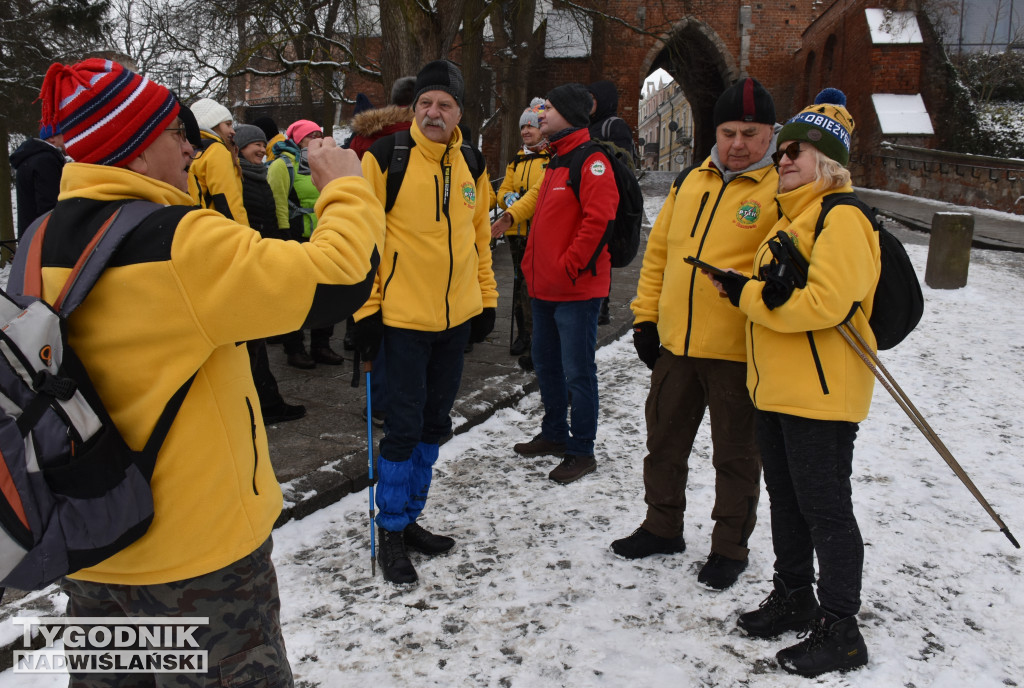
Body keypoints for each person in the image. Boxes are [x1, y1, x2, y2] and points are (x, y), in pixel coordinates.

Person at [35, 57, 382, 686]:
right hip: (198, 562)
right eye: (175, 132)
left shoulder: (36, 242)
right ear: (136, 152)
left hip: (92, 548)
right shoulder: (178, 241)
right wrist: (346, 184)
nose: (190, 148)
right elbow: (340, 278)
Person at [712, 88, 877, 677]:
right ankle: (793, 596)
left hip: (822, 394)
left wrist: (748, 295)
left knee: (826, 510)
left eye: (798, 152)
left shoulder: (844, 216)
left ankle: (841, 630)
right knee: (787, 500)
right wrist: (747, 289)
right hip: (777, 389)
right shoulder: (792, 217)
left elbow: (826, 305)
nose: (783, 160)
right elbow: (785, 298)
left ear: (827, 163)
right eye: (781, 153)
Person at [609, 77, 780, 592]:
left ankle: (730, 546)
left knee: (735, 455)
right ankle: (662, 527)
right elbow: (659, 253)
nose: (738, 144)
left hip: (737, 352)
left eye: (751, 133)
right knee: (663, 444)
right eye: (728, 131)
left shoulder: (781, 190)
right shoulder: (691, 181)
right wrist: (644, 317)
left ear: (771, 134)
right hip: (676, 346)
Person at [352, 59, 497, 585]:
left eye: (445, 104)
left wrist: (486, 301)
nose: (434, 112)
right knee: (403, 429)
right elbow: (363, 242)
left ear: (460, 112)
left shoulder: (473, 164)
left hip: (454, 320)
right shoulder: (385, 158)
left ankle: (410, 516)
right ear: (415, 108)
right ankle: (389, 529)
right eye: (426, 104)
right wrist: (365, 311)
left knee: (436, 425)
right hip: (402, 321)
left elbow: (481, 240)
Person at [510, 83, 618, 484]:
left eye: (549, 109)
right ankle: (554, 433)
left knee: (578, 372)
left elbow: (599, 220)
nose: (541, 116)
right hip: (544, 289)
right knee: (548, 365)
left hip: (575, 290)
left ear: (570, 114)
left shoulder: (590, 160)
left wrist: (570, 266)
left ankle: (581, 449)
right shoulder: (555, 159)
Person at [235, 123, 307, 425]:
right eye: (255, 144)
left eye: (263, 143)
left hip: (259, 257)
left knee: (255, 340)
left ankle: (264, 400)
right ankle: (265, 402)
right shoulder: (236, 178)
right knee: (250, 340)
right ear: (238, 147)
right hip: (244, 263)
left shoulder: (257, 175)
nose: (261, 148)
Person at [268, 119, 347, 368]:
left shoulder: (327, 163)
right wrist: (282, 234)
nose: (315, 139)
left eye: (318, 134)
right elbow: (278, 201)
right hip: (296, 237)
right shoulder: (283, 166)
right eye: (308, 136)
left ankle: (321, 346)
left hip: (325, 235)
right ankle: (295, 348)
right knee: (296, 296)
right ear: (296, 139)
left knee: (328, 293)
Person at [491, 98, 550, 362]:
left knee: (532, 285)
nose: (526, 131)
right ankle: (523, 334)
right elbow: (504, 190)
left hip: (539, 231)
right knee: (518, 284)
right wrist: (508, 200)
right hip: (516, 232)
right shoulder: (517, 160)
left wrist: (525, 204)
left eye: (532, 127)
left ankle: (535, 335)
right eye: (523, 127)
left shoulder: (550, 158)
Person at [587, 80, 636, 326]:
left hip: (609, 199)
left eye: (592, 99)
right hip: (587, 197)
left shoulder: (613, 125)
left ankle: (602, 306)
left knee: (602, 253)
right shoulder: (587, 125)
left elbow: (624, 161)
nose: (588, 104)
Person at [187, 97, 248, 225]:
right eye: (228, 124)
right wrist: (245, 235)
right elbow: (228, 201)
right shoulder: (216, 150)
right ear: (213, 124)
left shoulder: (192, 150)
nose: (233, 131)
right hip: (219, 228)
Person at [11, 123, 67, 238]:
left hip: (30, 236)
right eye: (66, 134)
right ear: (52, 137)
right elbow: (49, 207)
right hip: (42, 239)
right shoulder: (46, 160)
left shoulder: (33, 158)